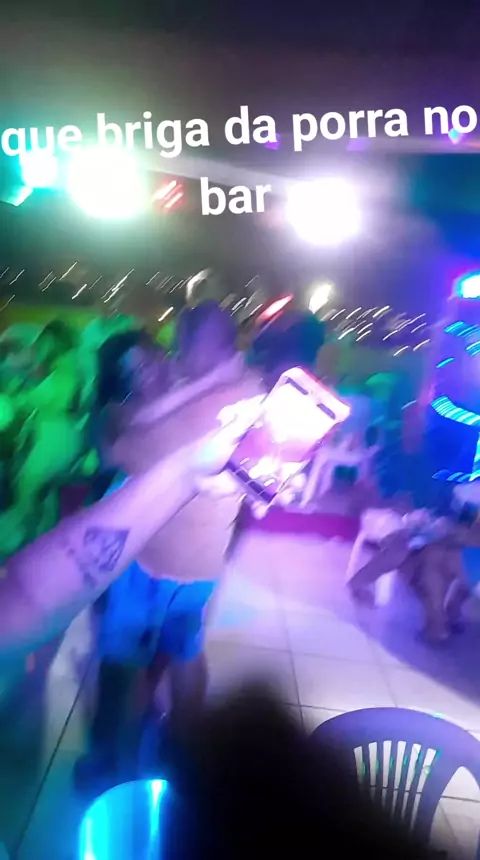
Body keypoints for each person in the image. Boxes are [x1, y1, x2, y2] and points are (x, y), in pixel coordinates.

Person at [75, 301, 263, 792]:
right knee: (173, 655)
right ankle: (172, 756)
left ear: (198, 344)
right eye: (134, 369)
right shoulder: (246, 391)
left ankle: (114, 756)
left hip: (154, 559)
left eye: (166, 350)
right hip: (187, 561)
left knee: (131, 657)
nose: (165, 360)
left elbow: (117, 452)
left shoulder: (196, 403)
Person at [0, 320, 88, 556]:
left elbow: (62, 402)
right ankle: (35, 538)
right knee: (34, 489)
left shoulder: (67, 368)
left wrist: (24, 399)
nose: (39, 346)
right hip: (51, 435)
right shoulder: (57, 368)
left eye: (43, 341)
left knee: (28, 485)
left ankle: (22, 539)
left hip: (57, 437)